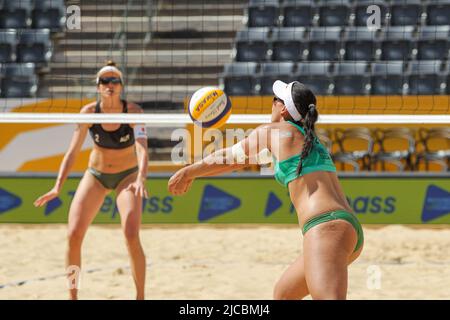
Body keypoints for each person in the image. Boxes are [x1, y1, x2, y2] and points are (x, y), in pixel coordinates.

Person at [168, 80, 364, 300]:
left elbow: (230, 158)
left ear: (283, 108)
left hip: (325, 228)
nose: (270, 104)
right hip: (344, 227)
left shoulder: (274, 131)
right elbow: (241, 160)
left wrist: (189, 172)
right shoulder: (308, 139)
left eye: (275, 100)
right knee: (284, 294)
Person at [34, 61, 149, 300]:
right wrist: (58, 186)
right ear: (98, 87)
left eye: (114, 81)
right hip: (95, 176)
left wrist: (141, 178)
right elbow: (72, 152)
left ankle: (140, 296)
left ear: (121, 86)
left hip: (126, 177)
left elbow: (142, 149)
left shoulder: (134, 111)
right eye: (105, 81)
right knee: (74, 235)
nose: (110, 85)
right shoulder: (89, 112)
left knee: (131, 234)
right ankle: (73, 296)